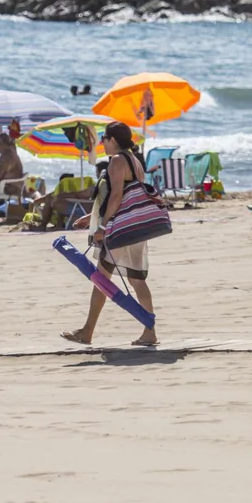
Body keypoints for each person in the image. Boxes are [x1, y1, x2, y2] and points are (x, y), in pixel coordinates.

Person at [62, 122, 158, 347]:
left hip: (117, 230)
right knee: (136, 279)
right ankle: (149, 332)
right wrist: (92, 217)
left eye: (104, 137)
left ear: (113, 139)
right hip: (133, 227)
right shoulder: (135, 161)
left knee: (101, 279)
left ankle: (87, 332)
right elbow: (125, 197)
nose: (102, 142)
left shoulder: (116, 161)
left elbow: (116, 196)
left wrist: (103, 226)